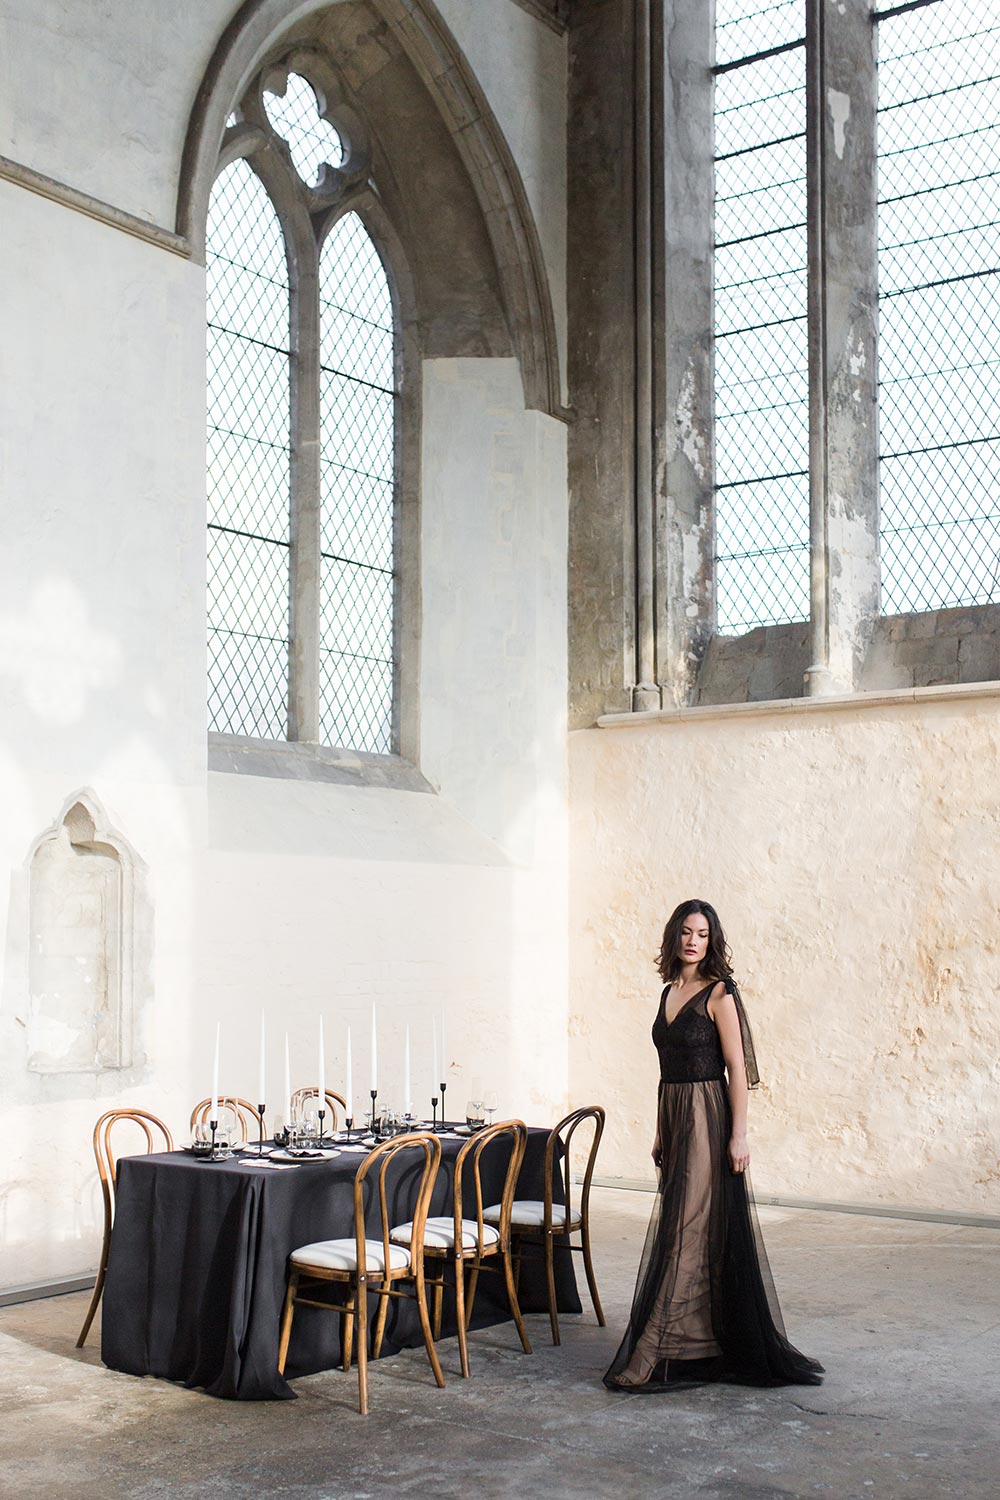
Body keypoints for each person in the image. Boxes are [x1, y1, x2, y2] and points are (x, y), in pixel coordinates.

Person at [604, 898, 823, 1391]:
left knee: (687, 1225)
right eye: (685, 931)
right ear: (674, 936)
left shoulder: (719, 994)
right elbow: (665, 1071)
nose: (692, 940)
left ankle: (650, 1350)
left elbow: (738, 1071)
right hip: (675, 1114)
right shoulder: (667, 992)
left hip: (707, 1115)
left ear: (712, 940)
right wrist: (660, 1129)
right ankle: (700, 1343)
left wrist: (739, 1134)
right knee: (685, 1228)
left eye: (701, 933)